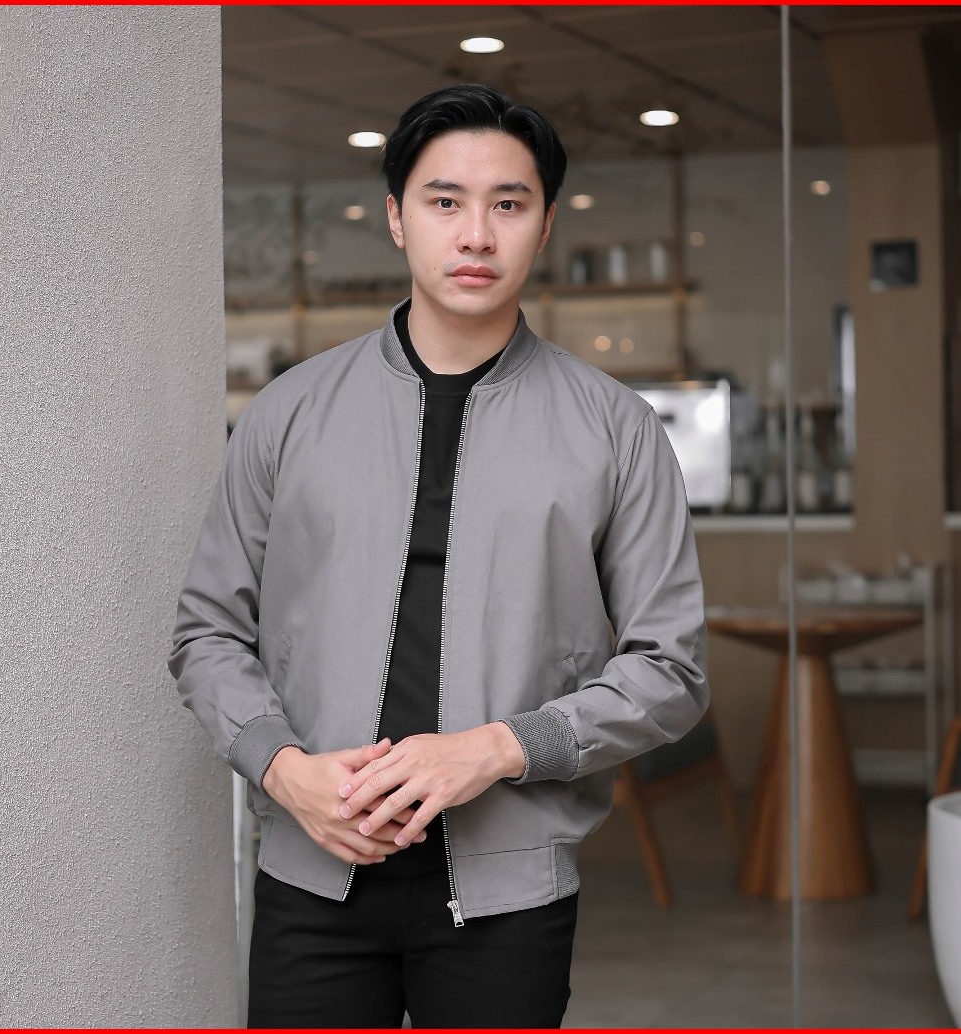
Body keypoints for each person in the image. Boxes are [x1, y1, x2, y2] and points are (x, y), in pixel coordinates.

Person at [169, 82, 709, 1029]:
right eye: (445, 201)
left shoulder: (616, 429)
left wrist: (497, 748)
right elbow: (206, 631)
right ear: (396, 217)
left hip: (507, 890)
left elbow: (671, 668)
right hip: (312, 873)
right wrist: (283, 769)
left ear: (545, 225)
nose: (476, 235)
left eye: (509, 204)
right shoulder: (290, 412)